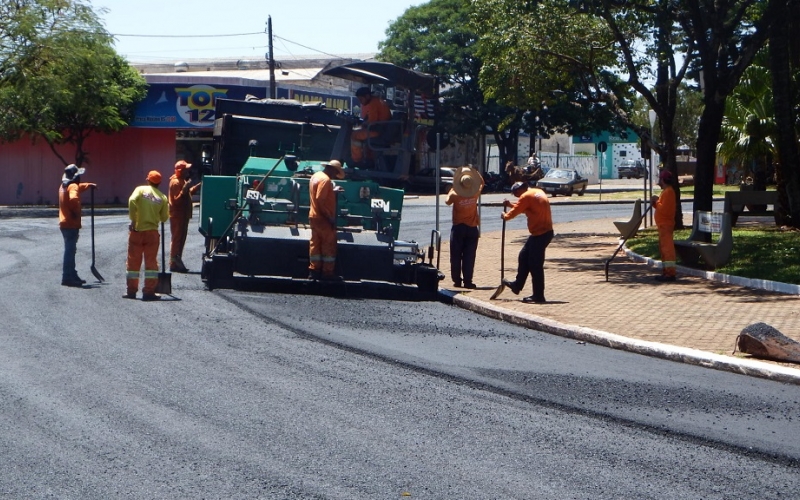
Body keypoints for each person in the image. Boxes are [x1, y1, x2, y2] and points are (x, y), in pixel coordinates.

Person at [501, 181, 554, 303]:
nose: (516, 196)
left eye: (516, 194)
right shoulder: (537, 192)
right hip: (543, 233)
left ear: (520, 190)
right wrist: (510, 205)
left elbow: (512, 214)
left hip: (540, 234)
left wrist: (505, 216)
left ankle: (538, 295)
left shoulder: (525, 196)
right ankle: (517, 285)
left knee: (535, 265)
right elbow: (526, 209)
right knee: (524, 256)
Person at [125, 170, 169, 300]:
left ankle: (131, 291)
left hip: (136, 231)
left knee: (133, 262)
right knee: (151, 263)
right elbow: (164, 218)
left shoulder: (140, 189)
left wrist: (134, 220)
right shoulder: (162, 197)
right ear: (159, 183)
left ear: (147, 180)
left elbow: (132, 201)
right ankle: (149, 292)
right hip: (152, 233)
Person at [445, 166, 484, 288]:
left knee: (456, 255)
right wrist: (475, 172)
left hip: (458, 228)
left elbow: (447, 201)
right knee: (469, 256)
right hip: (472, 228)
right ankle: (468, 281)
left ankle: (457, 280)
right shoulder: (475, 193)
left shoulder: (455, 194)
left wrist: (453, 188)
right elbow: (482, 182)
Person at [58, 164, 96, 287]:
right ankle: (67, 277)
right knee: (70, 251)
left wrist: (88, 185)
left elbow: (76, 188)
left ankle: (72, 274)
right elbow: (74, 197)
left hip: (64, 223)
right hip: (71, 223)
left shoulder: (64, 186)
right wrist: (76, 211)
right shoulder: (72, 186)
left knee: (70, 250)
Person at [308, 160, 345, 280]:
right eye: (335, 172)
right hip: (323, 218)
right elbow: (320, 199)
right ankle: (327, 273)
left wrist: (331, 191)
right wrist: (329, 216)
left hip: (313, 216)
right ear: (332, 169)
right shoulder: (325, 180)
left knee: (315, 244)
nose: (335, 175)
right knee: (328, 245)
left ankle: (314, 271)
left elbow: (317, 194)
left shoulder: (316, 176)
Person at [168, 160, 201, 273]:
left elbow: (187, 193)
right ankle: (173, 263)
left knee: (181, 239)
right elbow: (177, 200)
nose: (188, 171)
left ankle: (177, 261)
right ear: (180, 171)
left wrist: (197, 186)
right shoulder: (176, 182)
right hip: (178, 215)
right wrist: (184, 189)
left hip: (183, 215)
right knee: (177, 239)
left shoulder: (182, 181)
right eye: (186, 169)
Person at [350, 87, 391, 164]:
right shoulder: (376, 100)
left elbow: (372, 121)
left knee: (354, 135)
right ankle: (369, 159)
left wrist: (363, 123)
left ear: (367, 96)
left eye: (361, 99)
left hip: (378, 131)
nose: (361, 102)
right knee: (360, 131)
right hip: (381, 129)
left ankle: (357, 160)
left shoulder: (373, 103)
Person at [651, 169, 677, 282]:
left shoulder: (669, 192)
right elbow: (661, 208)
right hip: (662, 226)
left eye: (660, 179)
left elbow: (664, 210)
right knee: (663, 250)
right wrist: (655, 203)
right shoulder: (666, 192)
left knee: (667, 250)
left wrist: (656, 202)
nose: (659, 182)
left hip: (666, 225)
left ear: (663, 180)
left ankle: (670, 273)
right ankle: (666, 271)